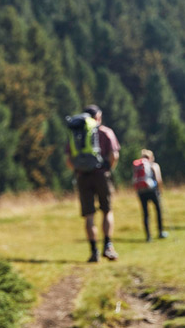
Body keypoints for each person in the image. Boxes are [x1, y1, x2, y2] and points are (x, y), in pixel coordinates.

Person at [66, 104, 120, 262]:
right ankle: (108, 246)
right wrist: (108, 168)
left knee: (89, 216)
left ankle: (93, 251)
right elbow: (114, 155)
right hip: (101, 174)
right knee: (107, 210)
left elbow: (68, 159)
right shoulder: (105, 132)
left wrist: (78, 170)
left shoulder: (76, 134)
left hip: (82, 176)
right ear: (98, 117)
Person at [133, 149, 167, 242]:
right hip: (152, 190)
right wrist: (160, 190)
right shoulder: (153, 165)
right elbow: (158, 179)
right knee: (158, 210)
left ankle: (148, 236)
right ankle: (160, 232)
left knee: (145, 213)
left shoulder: (138, 166)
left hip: (141, 192)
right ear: (151, 157)